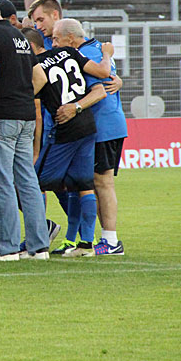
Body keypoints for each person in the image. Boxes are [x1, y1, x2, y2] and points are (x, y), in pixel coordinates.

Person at [23, 19, 111, 257]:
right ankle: (83, 244)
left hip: (65, 129)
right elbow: (103, 73)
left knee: (32, 183)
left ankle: (37, 240)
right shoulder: (70, 53)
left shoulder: (36, 64)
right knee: (82, 184)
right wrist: (107, 54)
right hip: (87, 125)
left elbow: (37, 93)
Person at [0, 0, 48, 261]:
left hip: (1, 116)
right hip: (26, 116)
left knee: (1, 182)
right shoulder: (20, 38)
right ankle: (39, 247)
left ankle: (7, 248)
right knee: (27, 181)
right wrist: (22, 95)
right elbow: (40, 77)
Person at [56, 21, 127, 256]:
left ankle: (111, 240)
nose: (55, 44)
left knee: (102, 182)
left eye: (57, 39)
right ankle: (95, 239)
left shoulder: (83, 55)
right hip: (107, 123)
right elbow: (111, 79)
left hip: (103, 126)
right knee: (92, 183)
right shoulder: (98, 49)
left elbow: (102, 84)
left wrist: (74, 107)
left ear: (69, 38)